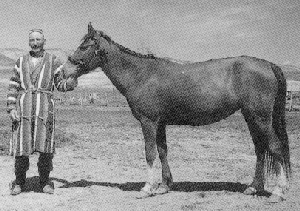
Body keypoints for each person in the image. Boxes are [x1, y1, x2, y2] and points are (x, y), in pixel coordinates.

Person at [7, 29, 78, 195]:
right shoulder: (20, 61)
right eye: (32, 39)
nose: (35, 42)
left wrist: (70, 83)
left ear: (44, 41)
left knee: (45, 147)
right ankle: (19, 182)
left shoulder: (53, 61)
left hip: (44, 109)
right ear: (28, 42)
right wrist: (11, 108)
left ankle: (45, 181)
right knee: (21, 146)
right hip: (23, 108)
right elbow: (13, 85)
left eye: (38, 39)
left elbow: (60, 84)